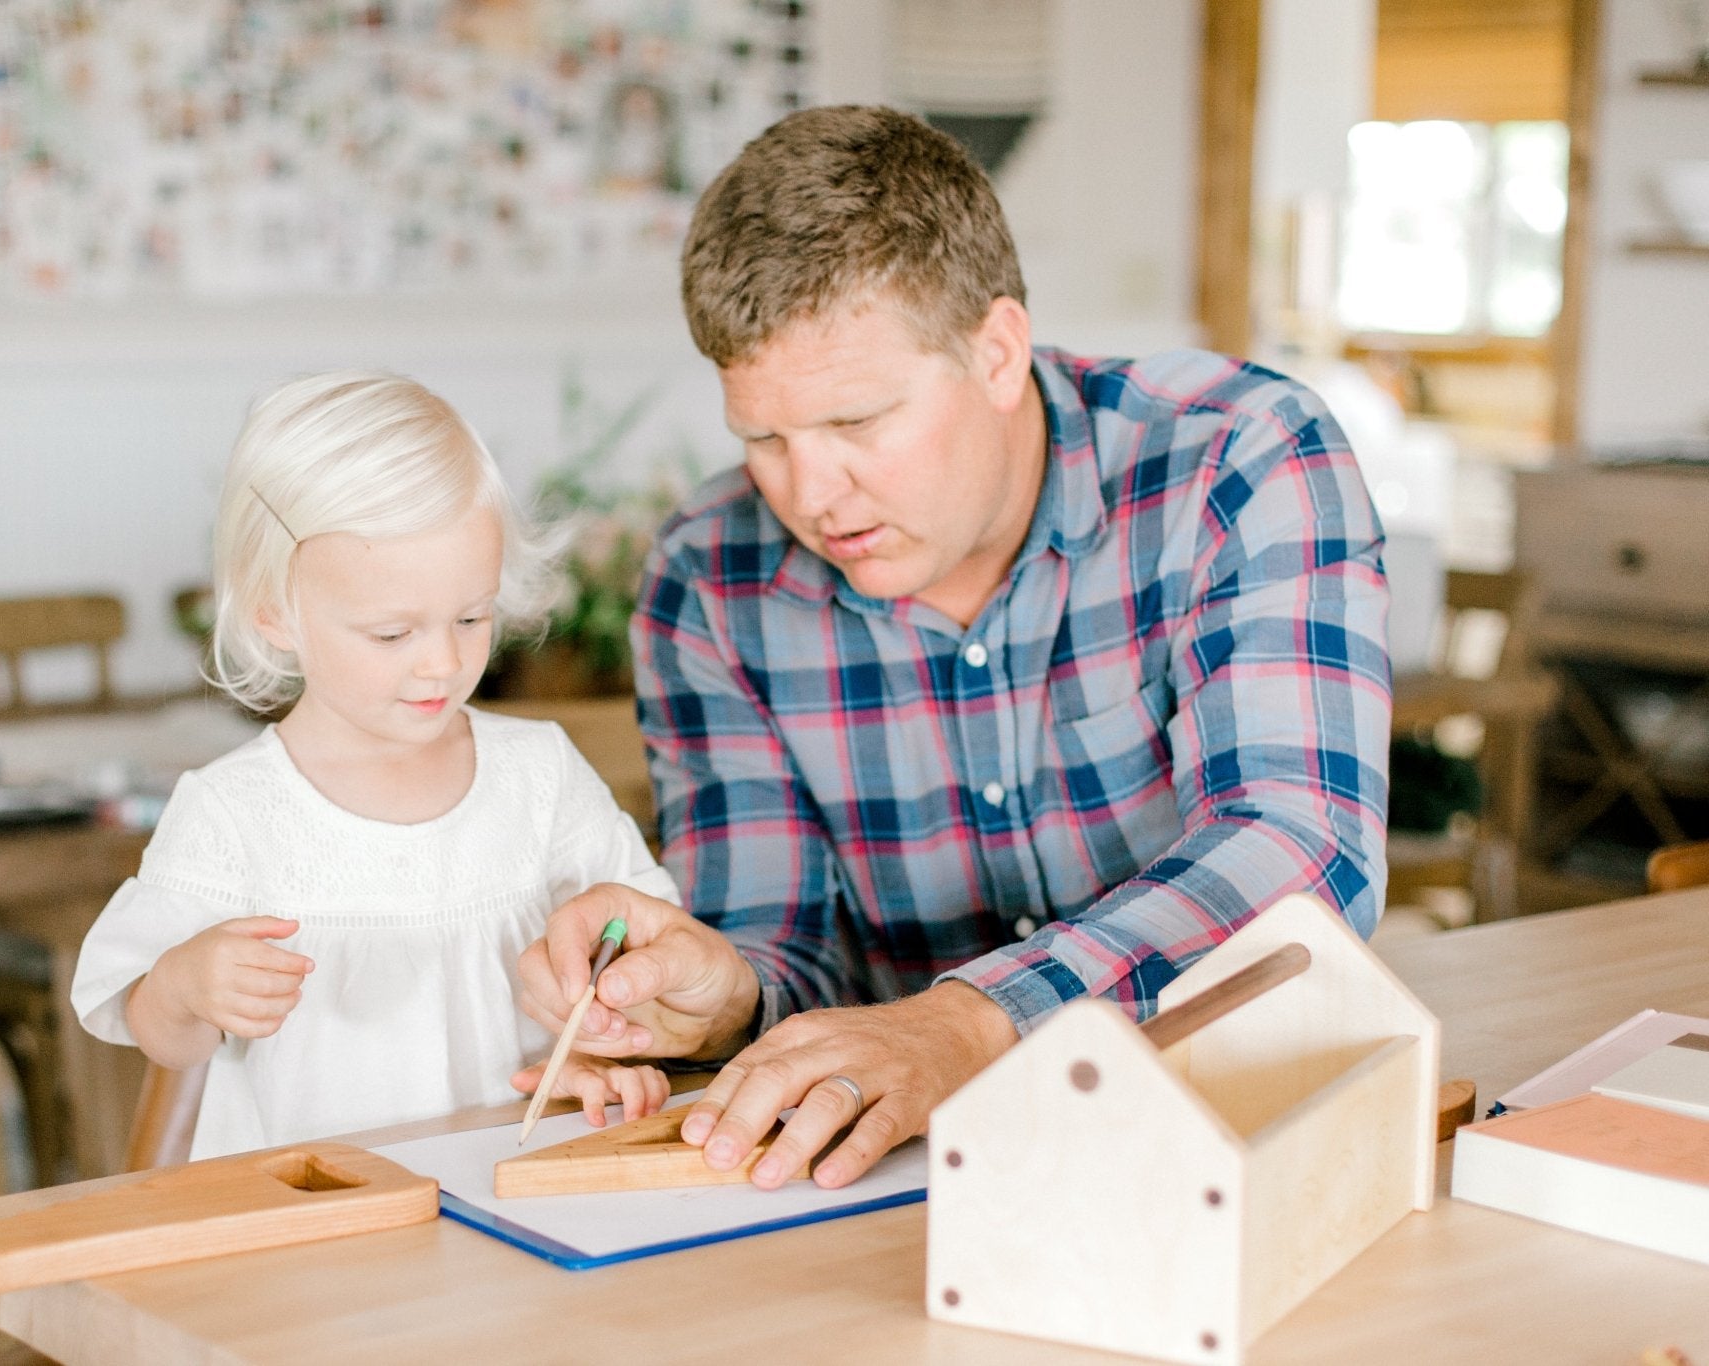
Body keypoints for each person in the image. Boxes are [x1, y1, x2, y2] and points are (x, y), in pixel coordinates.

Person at [518, 106, 1391, 1192]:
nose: (808, 494)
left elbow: (1302, 854)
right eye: (763, 439)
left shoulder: (1236, 459)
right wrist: (721, 992)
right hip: (913, 1182)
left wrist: (971, 1023)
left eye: (855, 423)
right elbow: (782, 945)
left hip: (1243, 1127)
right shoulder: (709, 576)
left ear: (995, 351)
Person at [71, 373, 677, 1161]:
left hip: (515, 1203)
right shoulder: (232, 812)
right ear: (273, 614)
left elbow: (639, 944)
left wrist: (601, 1047)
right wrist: (186, 984)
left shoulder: (540, 775)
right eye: (392, 634)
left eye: (472, 617)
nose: (442, 664)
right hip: (316, 1226)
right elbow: (161, 1036)